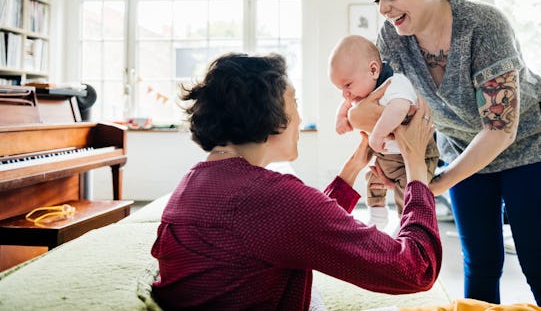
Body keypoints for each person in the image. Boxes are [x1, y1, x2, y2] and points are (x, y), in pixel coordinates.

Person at [348, 0, 541, 311]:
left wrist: (433, 184)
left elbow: (500, 129)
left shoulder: (484, 26)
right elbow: (384, 105)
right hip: (459, 147)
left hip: (529, 148)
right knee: (480, 263)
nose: (383, 9)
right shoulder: (391, 38)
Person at [150, 52, 442, 310]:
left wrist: (353, 167)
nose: (300, 119)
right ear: (270, 115)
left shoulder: (194, 181)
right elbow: (417, 269)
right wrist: (415, 166)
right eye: (295, 104)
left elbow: (298, 228)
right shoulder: (269, 197)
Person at [329, 34, 439, 230]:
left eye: (347, 85)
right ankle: (378, 219)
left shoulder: (394, 84)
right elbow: (345, 104)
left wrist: (378, 134)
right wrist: (341, 118)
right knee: (373, 181)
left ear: (373, 69)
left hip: (415, 156)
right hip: (386, 156)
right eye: (340, 88)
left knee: (407, 191)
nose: (345, 94)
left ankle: (406, 226)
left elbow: (398, 108)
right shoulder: (361, 90)